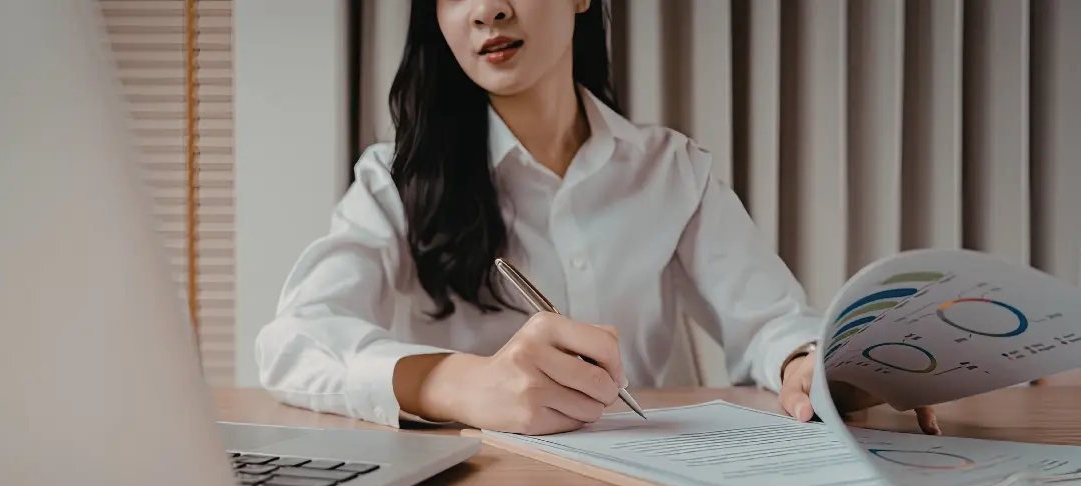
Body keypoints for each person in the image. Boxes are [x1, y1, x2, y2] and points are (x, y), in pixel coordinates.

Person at [255, 0, 939, 436]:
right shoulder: (395, 180)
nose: (488, 10)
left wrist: (808, 364)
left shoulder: (670, 170)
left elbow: (770, 321)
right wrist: (463, 385)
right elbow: (293, 343)